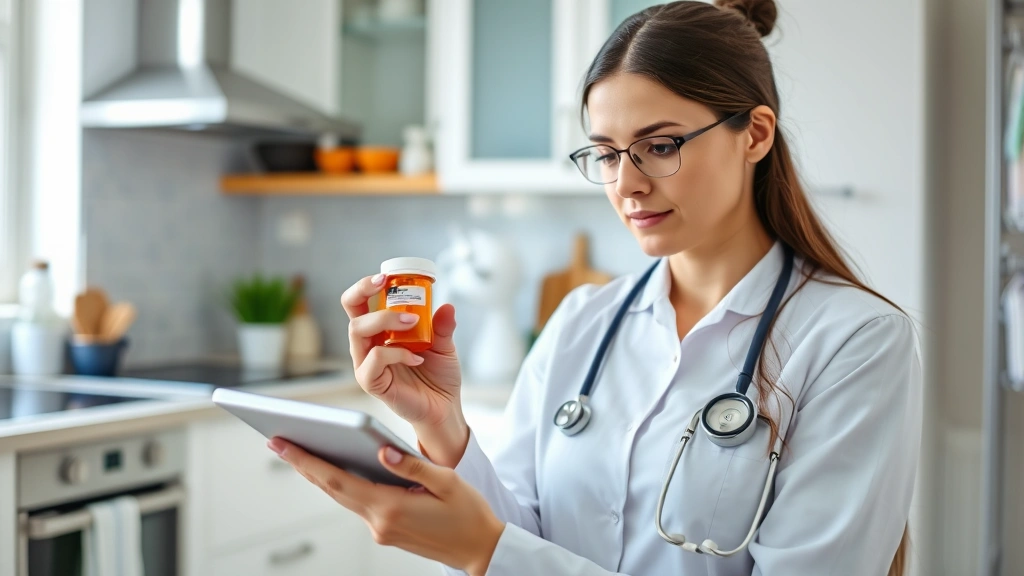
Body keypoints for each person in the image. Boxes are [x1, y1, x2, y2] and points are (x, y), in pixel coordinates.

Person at [267, 1, 923, 574]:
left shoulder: (854, 342)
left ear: (754, 134)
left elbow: (501, 554)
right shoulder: (583, 320)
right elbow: (517, 532)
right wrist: (444, 430)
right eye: (606, 153)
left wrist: (487, 553)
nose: (626, 183)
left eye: (660, 146)